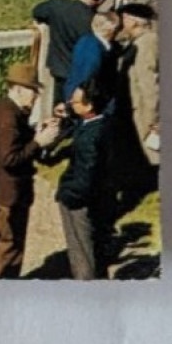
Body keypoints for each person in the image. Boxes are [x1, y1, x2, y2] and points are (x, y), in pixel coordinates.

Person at [0, 63, 61, 279]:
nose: (35, 97)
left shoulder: (0, 108)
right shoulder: (10, 117)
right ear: (18, 89)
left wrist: (34, 131)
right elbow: (10, 158)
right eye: (33, 91)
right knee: (10, 247)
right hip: (10, 194)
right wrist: (38, 142)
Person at [51, 80, 116, 280]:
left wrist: (69, 196)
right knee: (94, 250)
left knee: (81, 254)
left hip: (79, 201)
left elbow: (86, 174)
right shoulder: (100, 124)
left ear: (89, 106)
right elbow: (81, 122)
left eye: (76, 101)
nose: (70, 102)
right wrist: (69, 114)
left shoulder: (90, 138)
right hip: (98, 198)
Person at [33, 0, 111, 106]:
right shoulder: (93, 22)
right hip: (81, 77)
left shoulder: (57, 5)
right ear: (101, 1)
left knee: (59, 110)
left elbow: (37, 12)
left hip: (59, 70)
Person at [118, 3, 160, 195]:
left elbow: (148, 84)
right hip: (136, 105)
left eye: (125, 19)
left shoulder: (146, 44)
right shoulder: (138, 41)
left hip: (143, 108)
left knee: (153, 150)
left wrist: (152, 118)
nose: (122, 23)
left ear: (134, 22)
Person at [64, 10, 123, 114]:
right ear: (112, 28)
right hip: (88, 104)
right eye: (119, 27)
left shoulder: (89, 41)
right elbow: (87, 75)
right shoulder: (92, 48)